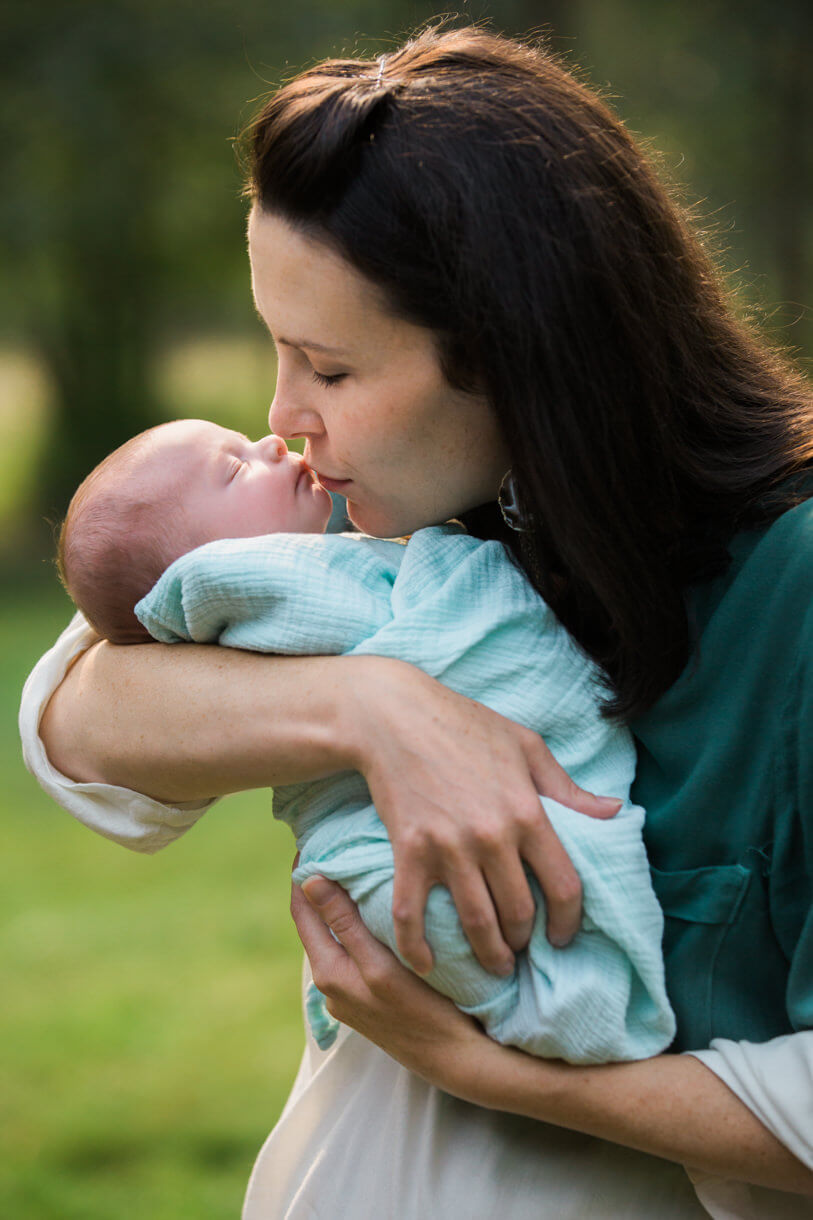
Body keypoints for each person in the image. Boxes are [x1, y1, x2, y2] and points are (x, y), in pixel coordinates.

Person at [19, 22, 813, 1220]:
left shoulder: (787, 595)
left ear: (514, 354)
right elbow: (75, 715)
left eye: (328, 370)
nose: (285, 417)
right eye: (275, 353)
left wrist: (488, 1068)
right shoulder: (431, 527)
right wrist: (373, 708)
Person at [56, 415, 675, 1063]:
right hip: (383, 852)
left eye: (331, 369)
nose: (273, 434)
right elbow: (68, 707)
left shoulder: (327, 559)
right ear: (205, 567)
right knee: (436, 907)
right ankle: (568, 1004)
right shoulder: (248, 587)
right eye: (235, 467)